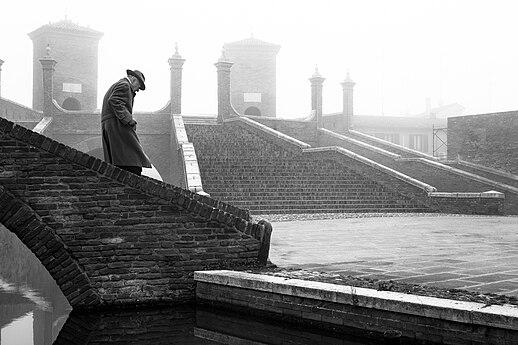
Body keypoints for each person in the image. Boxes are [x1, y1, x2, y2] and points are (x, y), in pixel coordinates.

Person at [101, 69, 151, 176]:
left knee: (120, 159)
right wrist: (129, 120)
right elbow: (114, 101)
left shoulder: (119, 84)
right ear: (133, 78)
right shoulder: (124, 85)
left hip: (112, 126)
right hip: (117, 126)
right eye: (139, 84)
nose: (138, 90)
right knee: (132, 158)